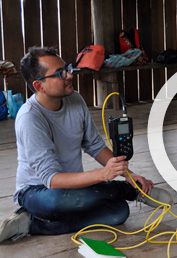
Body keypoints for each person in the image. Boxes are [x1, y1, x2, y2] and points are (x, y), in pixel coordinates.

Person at [0, 47, 158, 243]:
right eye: (59, 73)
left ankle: (30, 224)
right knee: (56, 201)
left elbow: (94, 145)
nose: (68, 75)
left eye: (66, 68)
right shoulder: (29, 118)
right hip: (38, 192)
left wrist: (129, 175)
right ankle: (129, 191)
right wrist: (106, 176)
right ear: (39, 86)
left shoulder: (75, 99)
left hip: (74, 191)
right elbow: (51, 180)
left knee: (118, 212)